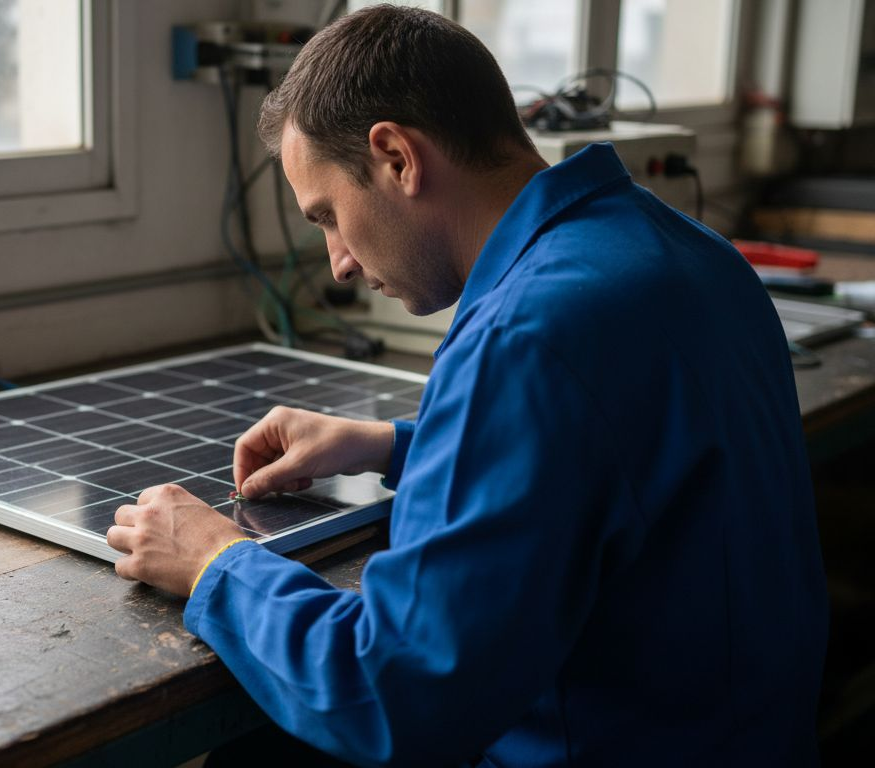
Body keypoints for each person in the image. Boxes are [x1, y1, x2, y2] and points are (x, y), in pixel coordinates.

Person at [106, 6, 827, 766]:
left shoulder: (525, 336)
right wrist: (396, 445)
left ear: (397, 158)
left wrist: (216, 564)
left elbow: (396, 697)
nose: (338, 262)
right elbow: (617, 456)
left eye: (329, 215)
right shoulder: (691, 253)